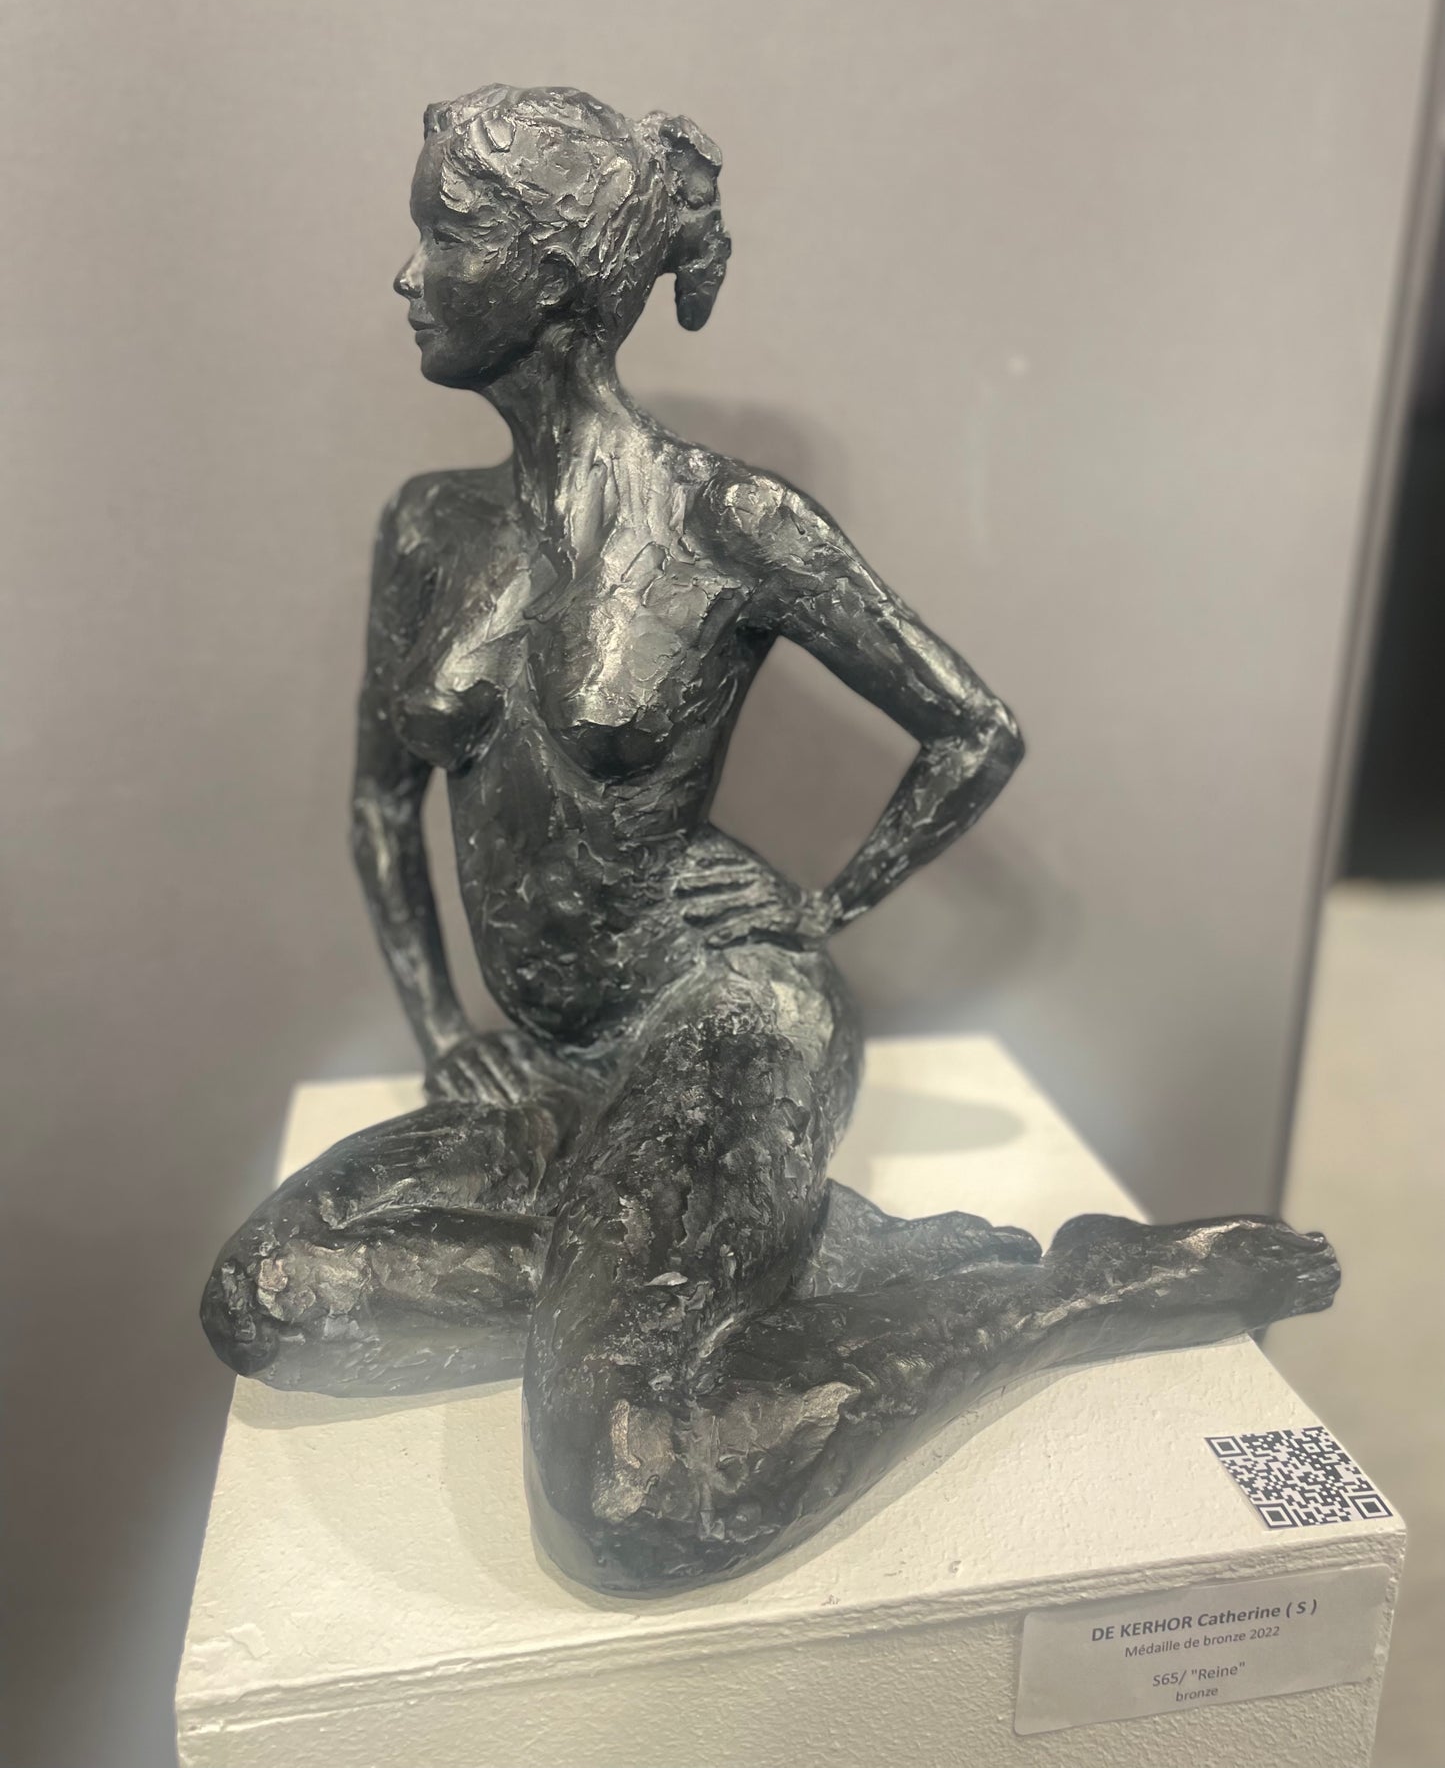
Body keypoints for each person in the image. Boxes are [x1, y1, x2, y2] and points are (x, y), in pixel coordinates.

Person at [202, 86, 1338, 1594]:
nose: (409, 275)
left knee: (634, 1494)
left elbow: (971, 728)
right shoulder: (427, 525)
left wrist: (824, 906)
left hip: (718, 1016)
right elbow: (376, 803)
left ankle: (1078, 1293)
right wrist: (443, 1031)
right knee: (267, 1297)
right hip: (548, 1065)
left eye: (449, 235)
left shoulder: (727, 522)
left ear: (554, 274)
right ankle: (744, 1254)